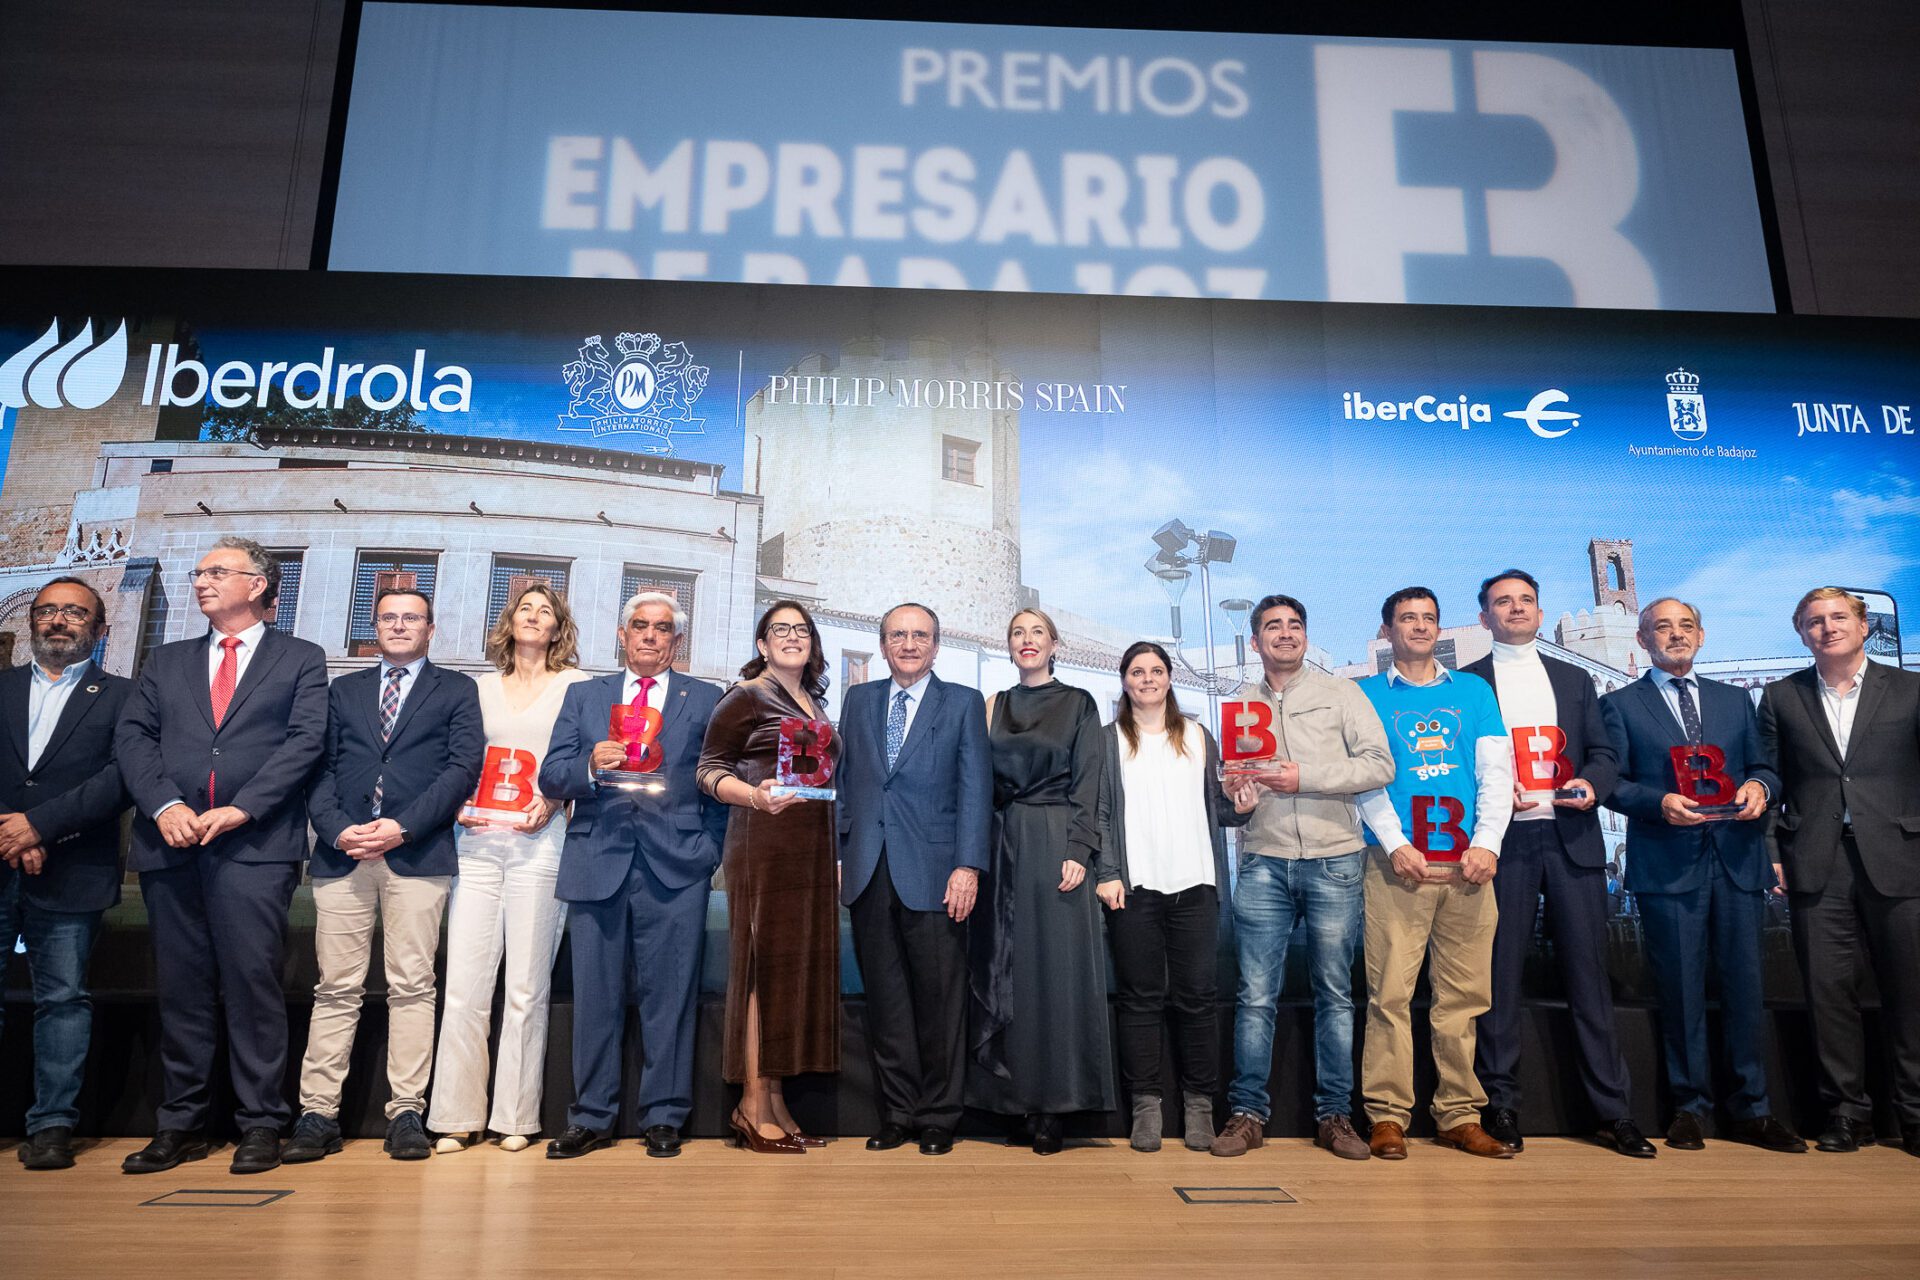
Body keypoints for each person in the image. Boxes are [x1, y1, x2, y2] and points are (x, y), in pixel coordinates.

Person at [115, 536, 329, 1175]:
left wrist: (246, 806)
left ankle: (262, 1122)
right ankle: (179, 1122)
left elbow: (305, 741)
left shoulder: (300, 658)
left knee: (252, 984)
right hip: (171, 843)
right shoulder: (166, 660)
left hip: (254, 846)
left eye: (217, 572)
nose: (202, 581)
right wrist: (164, 807)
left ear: (259, 584)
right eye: (199, 572)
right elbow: (134, 738)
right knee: (181, 988)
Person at [282, 588, 482, 1164]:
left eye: (411, 618)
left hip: (416, 855)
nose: (400, 626)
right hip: (344, 854)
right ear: (376, 626)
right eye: (390, 618)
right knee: (336, 988)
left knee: (412, 986)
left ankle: (407, 1112)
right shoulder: (342, 690)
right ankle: (318, 1113)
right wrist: (338, 829)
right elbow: (318, 767)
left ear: (431, 628)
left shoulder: (457, 690)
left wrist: (403, 827)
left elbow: (460, 769)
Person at [1600, 597, 1805, 1153]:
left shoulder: (1736, 702)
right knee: (1681, 991)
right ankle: (1690, 1108)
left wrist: (1761, 787)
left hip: (1737, 862)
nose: (1675, 635)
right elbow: (1610, 781)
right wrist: (1656, 800)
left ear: (1702, 635)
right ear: (1642, 641)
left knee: (1746, 988)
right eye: (1661, 627)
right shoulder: (1619, 705)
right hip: (1667, 866)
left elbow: (1765, 766)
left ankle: (1753, 1110)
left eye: (1685, 626)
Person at [1464, 570, 1653, 1158]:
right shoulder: (1467, 684)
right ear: (1485, 617)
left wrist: (1590, 785)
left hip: (1571, 839)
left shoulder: (1575, 679)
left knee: (1589, 979)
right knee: (1498, 980)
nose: (1516, 609)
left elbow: (1604, 755)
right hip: (1502, 844)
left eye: (1526, 601)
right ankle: (1500, 1106)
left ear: (1540, 614)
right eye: (1503, 602)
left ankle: (1612, 1112)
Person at [540, 590, 726, 1159]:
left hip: (677, 866)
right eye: (639, 626)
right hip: (599, 858)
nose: (650, 635)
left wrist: (707, 850)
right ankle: (591, 1116)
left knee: (669, 997)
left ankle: (664, 1115)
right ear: (622, 635)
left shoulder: (707, 699)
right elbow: (551, 775)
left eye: (662, 628)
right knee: (595, 995)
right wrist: (588, 766)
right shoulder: (584, 695)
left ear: (677, 641)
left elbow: (717, 779)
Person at [1210, 594, 1394, 1161]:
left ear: (1306, 637)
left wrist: (1304, 777)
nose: (1284, 634)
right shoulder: (1239, 703)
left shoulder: (1341, 692)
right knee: (1254, 994)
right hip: (1263, 860)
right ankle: (1246, 1114)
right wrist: (1237, 796)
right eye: (1272, 627)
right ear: (1257, 639)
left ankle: (1335, 1116)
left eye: (1294, 626)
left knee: (1335, 994)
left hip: (1335, 857)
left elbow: (1379, 764)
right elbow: (1234, 786)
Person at [428, 583, 591, 1154]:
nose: (534, 616)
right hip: (474, 846)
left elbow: (581, 761)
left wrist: (552, 802)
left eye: (545, 611)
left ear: (558, 628)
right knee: (465, 985)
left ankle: (516, 1117)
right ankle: (454, 1115)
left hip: (541, 846)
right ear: (510, 621)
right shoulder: (476, 689)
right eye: (525, 607)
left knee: (526, 987)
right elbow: (457, 761)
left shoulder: (577, 687)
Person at [1355, 586, 1515, 1160]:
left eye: (1427, 618)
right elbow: (1364, 779)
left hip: (1469, 866)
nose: (1419, 627)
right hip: (1397, 866)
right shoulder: (1365, 695)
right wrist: (1395, 843)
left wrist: (1488, 845)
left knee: (1463, 998)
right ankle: (1388, 1116)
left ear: (1439, 628)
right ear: (1387, 629)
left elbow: (1496, 775)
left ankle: (1458, 1115)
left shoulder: (1474, 692)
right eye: (1407, 618)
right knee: (1389, 996)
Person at [1760, 586, 1920, 1158]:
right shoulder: (1781, 697)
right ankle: (1847, 1113)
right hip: (1815, 859)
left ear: (1862, 624)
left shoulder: (1910, 688)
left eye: (1837, 617)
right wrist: (1772, 850)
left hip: (1903, 857)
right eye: (1812, 622)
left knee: (1912, 990)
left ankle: (1915, 1113)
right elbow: (1769, 777)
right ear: (1801, 633)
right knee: (1828, 993)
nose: (1826, 628)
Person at [836, 603, 991, 1157]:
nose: (908, 644)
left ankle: (939, 1115)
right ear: (882, 645)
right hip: (868, 870)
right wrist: (839, 854)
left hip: (937, 873)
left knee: (941, 1000)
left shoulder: (964, 703)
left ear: (936, 645)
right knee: (887, 1000)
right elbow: (846, 778)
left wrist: (968, 866)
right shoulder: (859, 700)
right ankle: (898, 1112)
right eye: (898, 635)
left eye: (919, 635)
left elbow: (977, 789)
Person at [966, 607, 1113, 1155]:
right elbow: (976, 783)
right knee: (1006, 968)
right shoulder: (992, 705)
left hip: (1057, 845)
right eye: (1017, 633)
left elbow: (1089, 782)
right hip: (1001, 843)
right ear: (1009, 646)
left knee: (1055, 974)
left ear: (1055, 644)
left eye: (1037, 633)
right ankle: (1013, 1100)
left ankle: (1054, 1107)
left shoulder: (1079, 703)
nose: (1027, 641)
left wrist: (1079, 849)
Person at [1094, 640, 1251, 1152]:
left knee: (1198, 1000)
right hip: (1133, 888)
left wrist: (1244, 806)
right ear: (1124, 681)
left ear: (1168, 679)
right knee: (1139, 1000)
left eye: (1156, 671)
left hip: (1196, 885)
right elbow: (1098, 814)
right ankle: (1146, 1106)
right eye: (1137, 671)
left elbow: (1220, 811)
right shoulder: (1106, 740)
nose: (1147, 679)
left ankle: (1199, 1107)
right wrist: (1109, 871)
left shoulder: (1200, 737)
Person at [697, 600, 841, 1153]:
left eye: (800, 629)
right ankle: (752, 1105)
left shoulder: (815, 703)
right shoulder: (745, 696)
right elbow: (708, 771)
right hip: (762, 841)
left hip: (809, 848)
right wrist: (755, 796)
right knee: (761, 969)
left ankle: (776, 1099)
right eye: (779, 629)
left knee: (790, 974)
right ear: (761, 644)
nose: (790, 637)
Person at [0, 577, 131, 1170]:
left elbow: (118, 780)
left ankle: (52, 1125)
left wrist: (41, 827)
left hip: (73, 865)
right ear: (32, 622)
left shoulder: (124, 697)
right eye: (47, 611)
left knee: (63, 998)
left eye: (74, 613)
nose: (59, 621)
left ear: (100, 630)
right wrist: (11, 830)